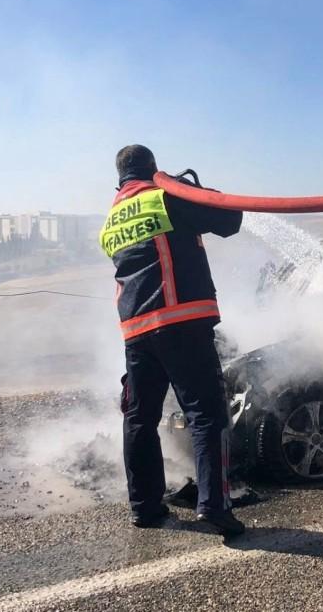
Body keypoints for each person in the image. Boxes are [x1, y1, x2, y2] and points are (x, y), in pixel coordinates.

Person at [100, 144, 246, 537]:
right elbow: (230, 217)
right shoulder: (164, 198)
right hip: (180, 321)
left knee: (139, 417)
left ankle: (145, 508)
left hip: (136, 331)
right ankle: (214, 506)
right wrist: (184, 185)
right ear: (153, 169)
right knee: (207, 414)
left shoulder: (112, 218)